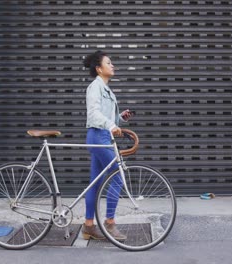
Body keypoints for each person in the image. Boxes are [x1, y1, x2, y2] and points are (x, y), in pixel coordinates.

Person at [82, 50, 133, 240]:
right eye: (109, 63)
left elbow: (108, 120)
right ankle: (110, 223)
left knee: (95, 183)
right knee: (118, 176)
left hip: (102, 137)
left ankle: (88, 226)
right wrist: (111, 125)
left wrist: (119, 119)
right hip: (98, 137)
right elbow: (94, 115)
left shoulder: (105, 89)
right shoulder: (95, 87)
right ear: (99, 68)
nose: (113, 66)